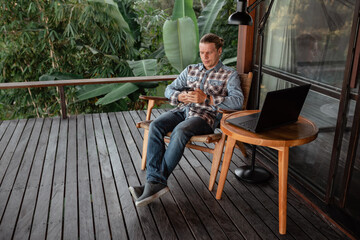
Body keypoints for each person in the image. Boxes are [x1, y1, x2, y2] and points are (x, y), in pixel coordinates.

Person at [129, 33, 244, 207]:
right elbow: (169, 89)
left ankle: (154, 183)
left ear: (219, 51)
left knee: (181, 131)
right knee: (156, 125)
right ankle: (154, 182)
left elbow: (238, 101)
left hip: (205, 117)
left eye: (209, 52)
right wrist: (180, 95)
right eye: (201, 52)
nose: (204, 57)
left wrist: (207, 99)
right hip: (183, 110)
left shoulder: (229, 74)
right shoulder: (191, 69)